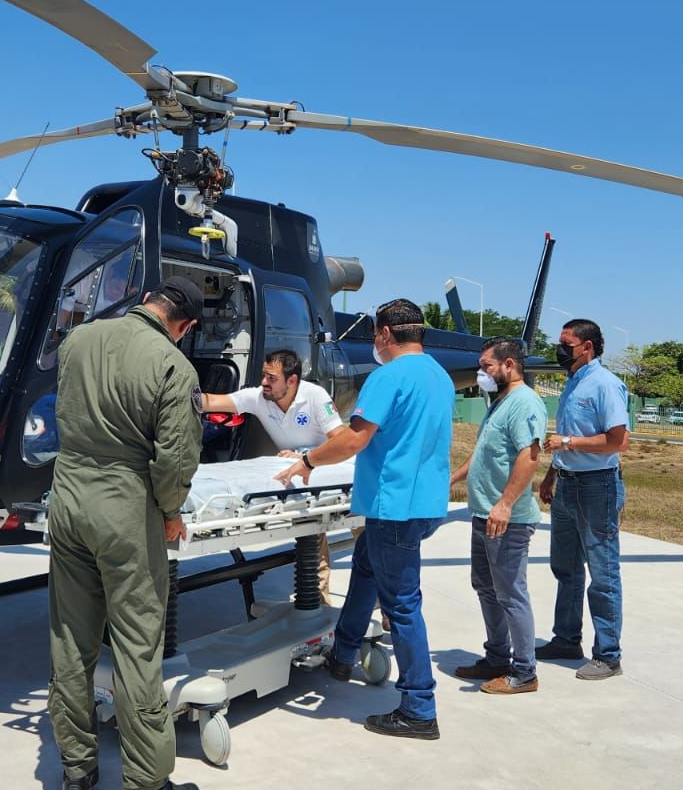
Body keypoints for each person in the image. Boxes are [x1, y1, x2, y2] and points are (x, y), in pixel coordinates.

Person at [48, 276, 204, 790]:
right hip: (124, 506)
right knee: (138, 644)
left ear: (147, 302)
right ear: (182, 326)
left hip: (66, 499)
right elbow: (174, 459)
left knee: (71, 636)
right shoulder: (173, 366)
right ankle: (144, 789)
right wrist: (170, 511)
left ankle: (75, 769)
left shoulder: (78, 340)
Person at [276, 299, 452, 740]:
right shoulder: (439, 376)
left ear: (385, 335)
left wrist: (308, 461)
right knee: (366, 567)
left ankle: (419, 708)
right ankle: (344, 653)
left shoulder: (387, 377)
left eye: (375, 334)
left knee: (403, 605)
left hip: (395, 505)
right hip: (425, 502)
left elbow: (355, 439)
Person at [201, 348, 346, 603]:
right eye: (263, 376)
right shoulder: (258, 397)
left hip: (336, 475)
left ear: (292, 381)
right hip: (302, 479)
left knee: (371, 548)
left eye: (272, 378)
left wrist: (306, 457)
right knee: (313, 548)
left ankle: (391, 604)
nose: (264, 383)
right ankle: (319, 607)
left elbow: (341, 441)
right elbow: (212, 402)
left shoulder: (315, 397)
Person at [449, 337, 546, 694]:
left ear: (509, 365)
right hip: (483, 513)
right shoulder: (499, 402)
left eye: (487, 365)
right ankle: (496, 658)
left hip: (509, 519)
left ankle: (524, 672)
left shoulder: (525, 402)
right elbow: (485, 454)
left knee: (510, 593)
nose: (482, 372)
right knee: (486, 588)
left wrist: (505, 504)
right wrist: (454, 478)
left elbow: (529, 456)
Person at [536, 318, 630, 680]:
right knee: (566, 568)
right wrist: (552, 474)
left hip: (598, 487)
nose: (561, 350)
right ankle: (566, 639)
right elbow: (568, 435)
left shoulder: (605, 384)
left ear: (587, 347)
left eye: (567, 344)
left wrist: (568, 444)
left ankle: (608, 654)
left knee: (602, 573)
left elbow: (618, 441)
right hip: (567, 484)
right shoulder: (574, 383)